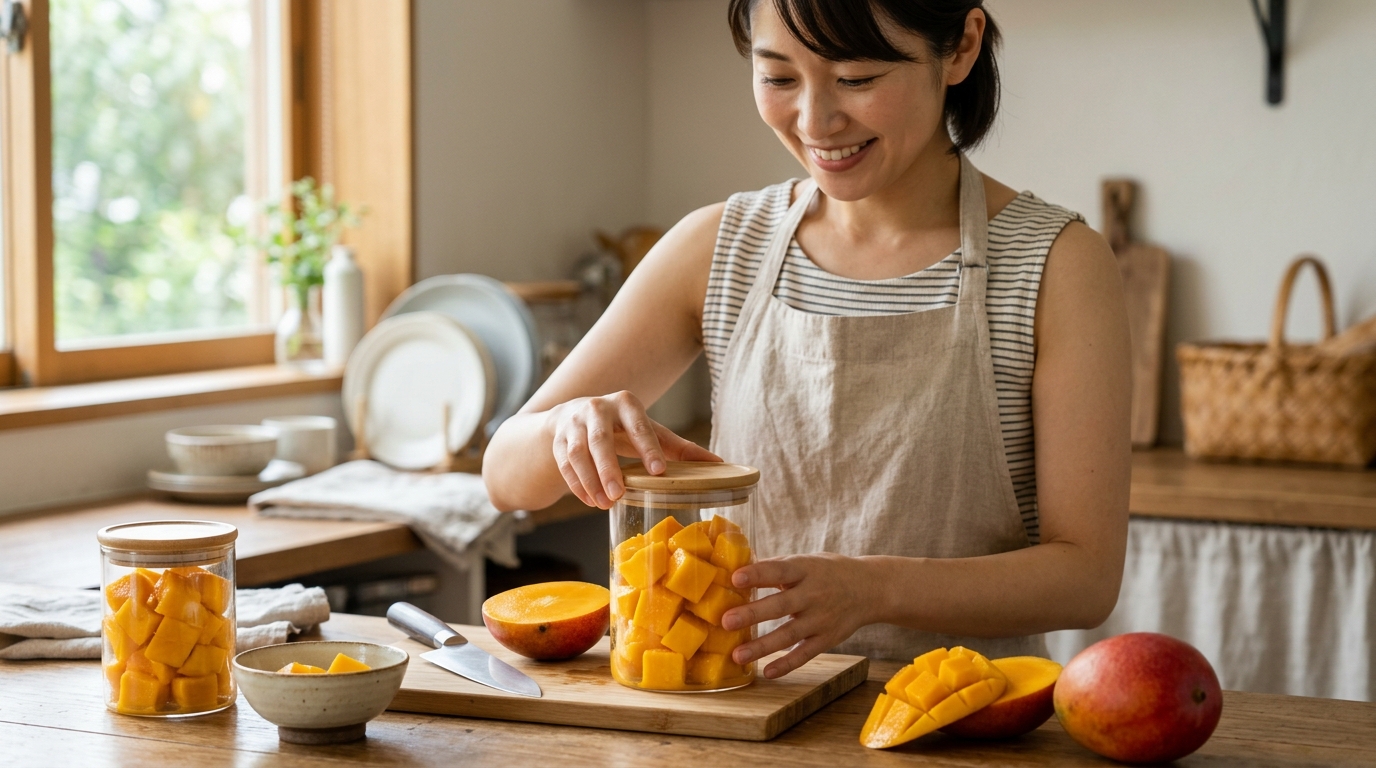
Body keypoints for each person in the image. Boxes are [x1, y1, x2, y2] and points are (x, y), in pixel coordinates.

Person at [484, 0, 1131, 679]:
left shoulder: (1054, 264)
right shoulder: (720, 249)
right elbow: (505, 477)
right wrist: (565, 428)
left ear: (962, 47)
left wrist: (875, 589)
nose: (816, 121)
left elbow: (1085, 578)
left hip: (960, 716)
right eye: (779, 78)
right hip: (745, 710)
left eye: (856, 79)